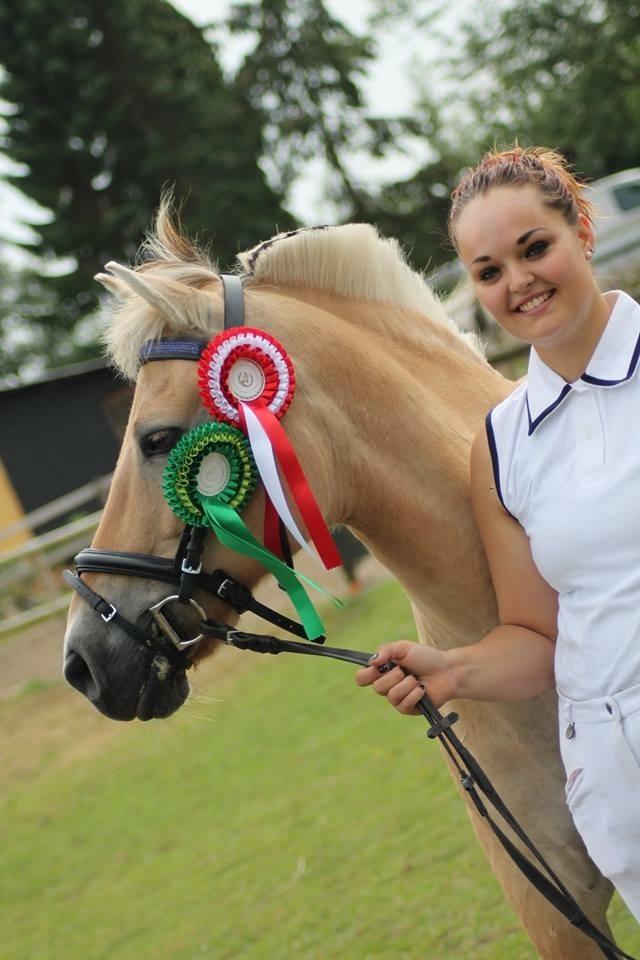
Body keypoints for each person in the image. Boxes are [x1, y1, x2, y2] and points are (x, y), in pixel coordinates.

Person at [355, 145, 640, 920]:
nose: (519, 283)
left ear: (581, 229)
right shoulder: (502, 445)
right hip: (623, 793)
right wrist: (451, 670)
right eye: (488, 271)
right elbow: (535, 636)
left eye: (534, 248)